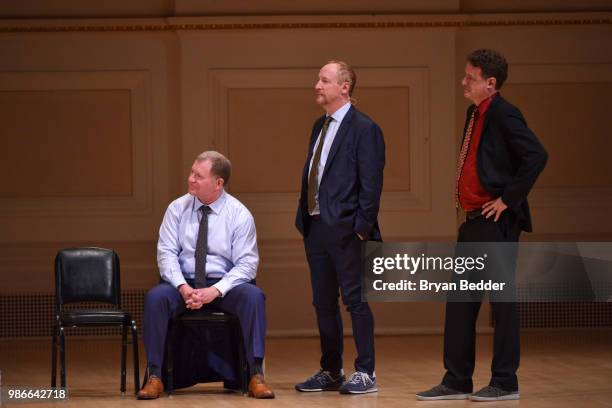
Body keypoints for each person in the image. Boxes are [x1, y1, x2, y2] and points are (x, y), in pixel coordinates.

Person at [416, 49, 548, 402]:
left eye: (470, 77)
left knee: (502, 304)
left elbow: (537, 155)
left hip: (496, 222)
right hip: (473, 222)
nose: (463, 82)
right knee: (460, 301)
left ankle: (505, 382)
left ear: (490, 83)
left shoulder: (504, 113)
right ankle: (456, 380)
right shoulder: (475, 113)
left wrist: (507, 200)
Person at [137, 151, 274, 400]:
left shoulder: (238, 214)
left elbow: (247, 264)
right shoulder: (177, 209)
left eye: (198, 176)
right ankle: (155, 376)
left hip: (223, 285)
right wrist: (182, 287)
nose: (190, 179)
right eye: (191, 172)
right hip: (183, 282)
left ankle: (255, 375)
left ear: (218, 183)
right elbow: (165, 254)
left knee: (254, 297)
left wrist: (215, 290)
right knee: (156, 298)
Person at [294, 60, 385, 394]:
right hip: (316, 226)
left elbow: (371, 182)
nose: (317, 85)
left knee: (355, 301)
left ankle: (366, 372)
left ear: (344, 87)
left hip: (347, 229)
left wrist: (360, 227)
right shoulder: (319, 125)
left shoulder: (365, 128)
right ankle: (331, 370)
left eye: (324, 80)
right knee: (323, 303)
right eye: (317, 79)